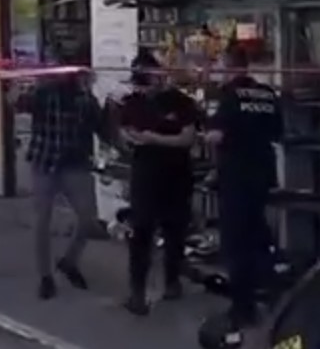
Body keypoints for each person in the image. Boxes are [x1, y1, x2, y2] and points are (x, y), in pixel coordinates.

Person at [206, 44, 283, 344]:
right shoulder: (267, 94)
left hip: (236, 175)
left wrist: (205, 134)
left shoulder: (229, 95)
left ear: (230, 66)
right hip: (262, 173)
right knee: (258, 234)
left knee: (236, 243)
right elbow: (277, 132)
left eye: (221, 64)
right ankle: (275, 298)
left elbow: (216, 135)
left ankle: (243, 308)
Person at [118, 50, 200, 314]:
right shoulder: (132, 103)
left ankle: (172, 281)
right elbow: (125, 134)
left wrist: (155, 139)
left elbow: (187, 138)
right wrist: (130, 139)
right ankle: (137, 293)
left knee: (175, 230)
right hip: (145, 174)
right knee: (141, 231)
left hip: (176, 174)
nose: (147, 85)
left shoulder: (181, 102)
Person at [15, 68, 102, 300]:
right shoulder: (45, 92)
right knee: (42, 220)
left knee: (88, 217)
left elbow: (98, 125)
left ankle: (69, 261)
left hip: (74, 163)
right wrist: (32, 85)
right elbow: (19, 103)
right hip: (46, 160)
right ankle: (45, 276)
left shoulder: (84, 96)